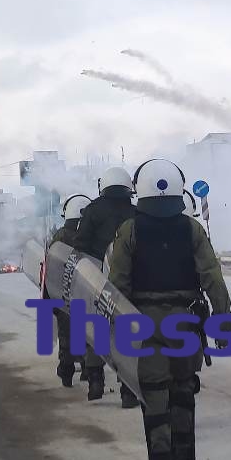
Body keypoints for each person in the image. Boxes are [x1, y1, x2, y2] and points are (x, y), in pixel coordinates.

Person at [107, 158, 231, 460]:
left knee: (155, 399)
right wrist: (223, 322)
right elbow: (213, 278)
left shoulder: (129, 231)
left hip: (145, 327)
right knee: (184, 390)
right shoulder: (192, 229)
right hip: (187, 324)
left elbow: (116, 285)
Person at [74, 166, 138, 402]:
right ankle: (129, 390)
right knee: (126, 332)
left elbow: (80, 246)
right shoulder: (136, 212)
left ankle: (95, 381)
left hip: (98, 279)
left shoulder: (92, 211)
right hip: (130, 280)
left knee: (97, 329)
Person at [48, 193, 90, 387]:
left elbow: (51, 268)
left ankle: (66, 372)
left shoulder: (60, 236)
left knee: (66, 334)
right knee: (89, 333)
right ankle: (89, 369)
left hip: (65, 294)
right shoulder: (93, 233)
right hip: (89, 292)